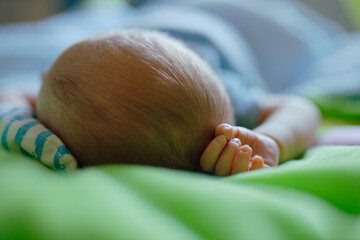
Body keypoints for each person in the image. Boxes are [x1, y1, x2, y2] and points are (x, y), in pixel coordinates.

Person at [0, 29, 320, 176]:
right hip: (211, 34)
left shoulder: (215, 102)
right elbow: (303, 110)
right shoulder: (225, 124)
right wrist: (272, 142)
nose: (42, 77)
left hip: (190, 34)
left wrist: (17, 117)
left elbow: (13, 97)